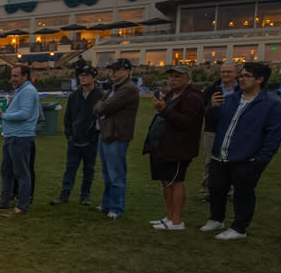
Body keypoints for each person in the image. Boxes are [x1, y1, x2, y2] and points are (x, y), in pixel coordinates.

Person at [202, 62, 281, 240]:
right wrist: (211, 108)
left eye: (246, 76)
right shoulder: (231, 98)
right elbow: (212, 120)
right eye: (241, 76)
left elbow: (274, 135)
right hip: (220, 154)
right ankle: (216, 219)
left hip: (246, 158)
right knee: (216, 188)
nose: (241, 79)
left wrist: (259, 160)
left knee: (243, 193)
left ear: (260, 79)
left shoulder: (271, 104)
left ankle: (239, 228)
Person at [147, 66, 205, 230]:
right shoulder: (172, 94)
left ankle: (177, 220)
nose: (173, 80)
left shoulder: (193, 97)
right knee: (166, 181)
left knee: (176, 181)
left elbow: (188, 122)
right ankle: (170, 217)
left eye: (178, 77)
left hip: (179, 147)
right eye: (171, 76)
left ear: (188, 79)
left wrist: (164, 110)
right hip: (164, 145)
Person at [93, 58, 140, 219]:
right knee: (107, 173)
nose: (111, 73)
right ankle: (107, 203)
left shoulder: (128, 89)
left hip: (117, 135)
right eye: (111, 69)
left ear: (126, 71)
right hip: (107, 134)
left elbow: (104, 106)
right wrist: (101, 108)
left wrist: (102, 108)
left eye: (116, 70)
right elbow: (98, 106)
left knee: (116, 173)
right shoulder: (115, 88)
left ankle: (117, 207)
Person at [0, 65, 39, 215]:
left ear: (25, 77)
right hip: (11, 136)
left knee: (22, 173)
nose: (12, 79)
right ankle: (5, 201)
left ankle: (22, 205)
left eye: (16, 76)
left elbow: (24, 114)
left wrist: (3, 116)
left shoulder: (29, 91)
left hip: (21, 137)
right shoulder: (20, 90)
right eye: (12, 75)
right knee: (6, 171)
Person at [52, 65, 102, 206]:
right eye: (81, 75)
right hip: (74, 138)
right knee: (70, 168)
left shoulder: (100, 96)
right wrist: (69, 134)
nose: (83, 77)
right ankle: (64, 194)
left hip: (91, 139)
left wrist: (94, 135)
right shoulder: (74, 95)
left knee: (89, 169)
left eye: (86, 75)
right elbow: (68, 116)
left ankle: (85, 195)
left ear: (94, 77)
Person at [199, 62, 239, 201]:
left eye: (229, 71)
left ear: (236, 73)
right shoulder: (212, 90)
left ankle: (231, 191)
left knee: (233, 161)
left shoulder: (241, 89)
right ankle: (207, 191)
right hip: (213, 130)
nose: (225, 74)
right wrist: (211, 105)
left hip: (235, 130)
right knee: (210, 161)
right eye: (223, 72)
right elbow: (201, 110)